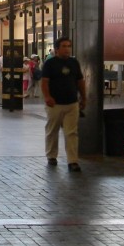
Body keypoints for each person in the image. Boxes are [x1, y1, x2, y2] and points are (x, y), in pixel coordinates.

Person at [40, 37, 86, 172]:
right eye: (64, 46)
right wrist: (47, 97)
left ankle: (73, 161)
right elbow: (44, 82)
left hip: (72, 103)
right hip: (55, 104)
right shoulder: (50, 64)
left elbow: (80, 81)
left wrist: (83, 97)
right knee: (52, 131)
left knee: (71, 132)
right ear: (57, 49)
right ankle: (51, 156)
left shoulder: (74, 62)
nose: (67, 49)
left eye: (69, 46)